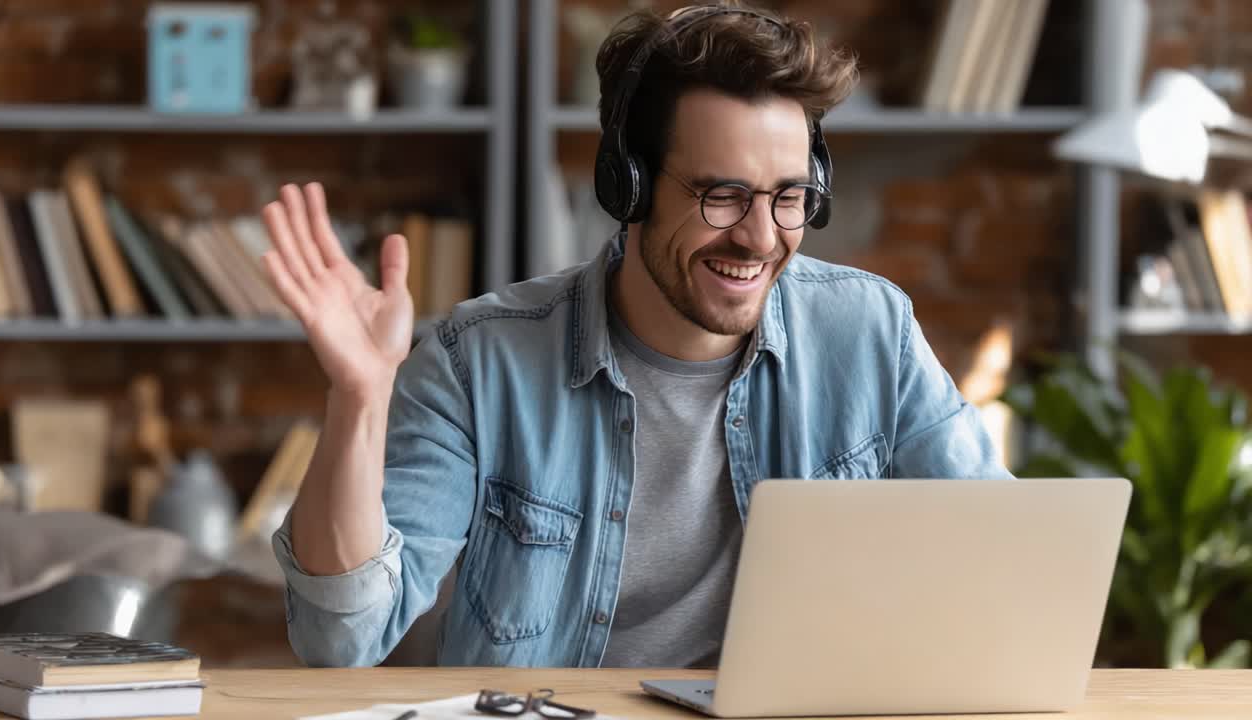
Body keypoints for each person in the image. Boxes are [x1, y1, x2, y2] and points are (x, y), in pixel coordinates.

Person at [261, 1, 1011, 670]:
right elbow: (341, 638)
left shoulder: (870, 331)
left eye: (789, 196)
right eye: (722, 195)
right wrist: (359, 397)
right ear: (628, 187)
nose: (759, 237)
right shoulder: (479, 363)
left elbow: (999, 558)